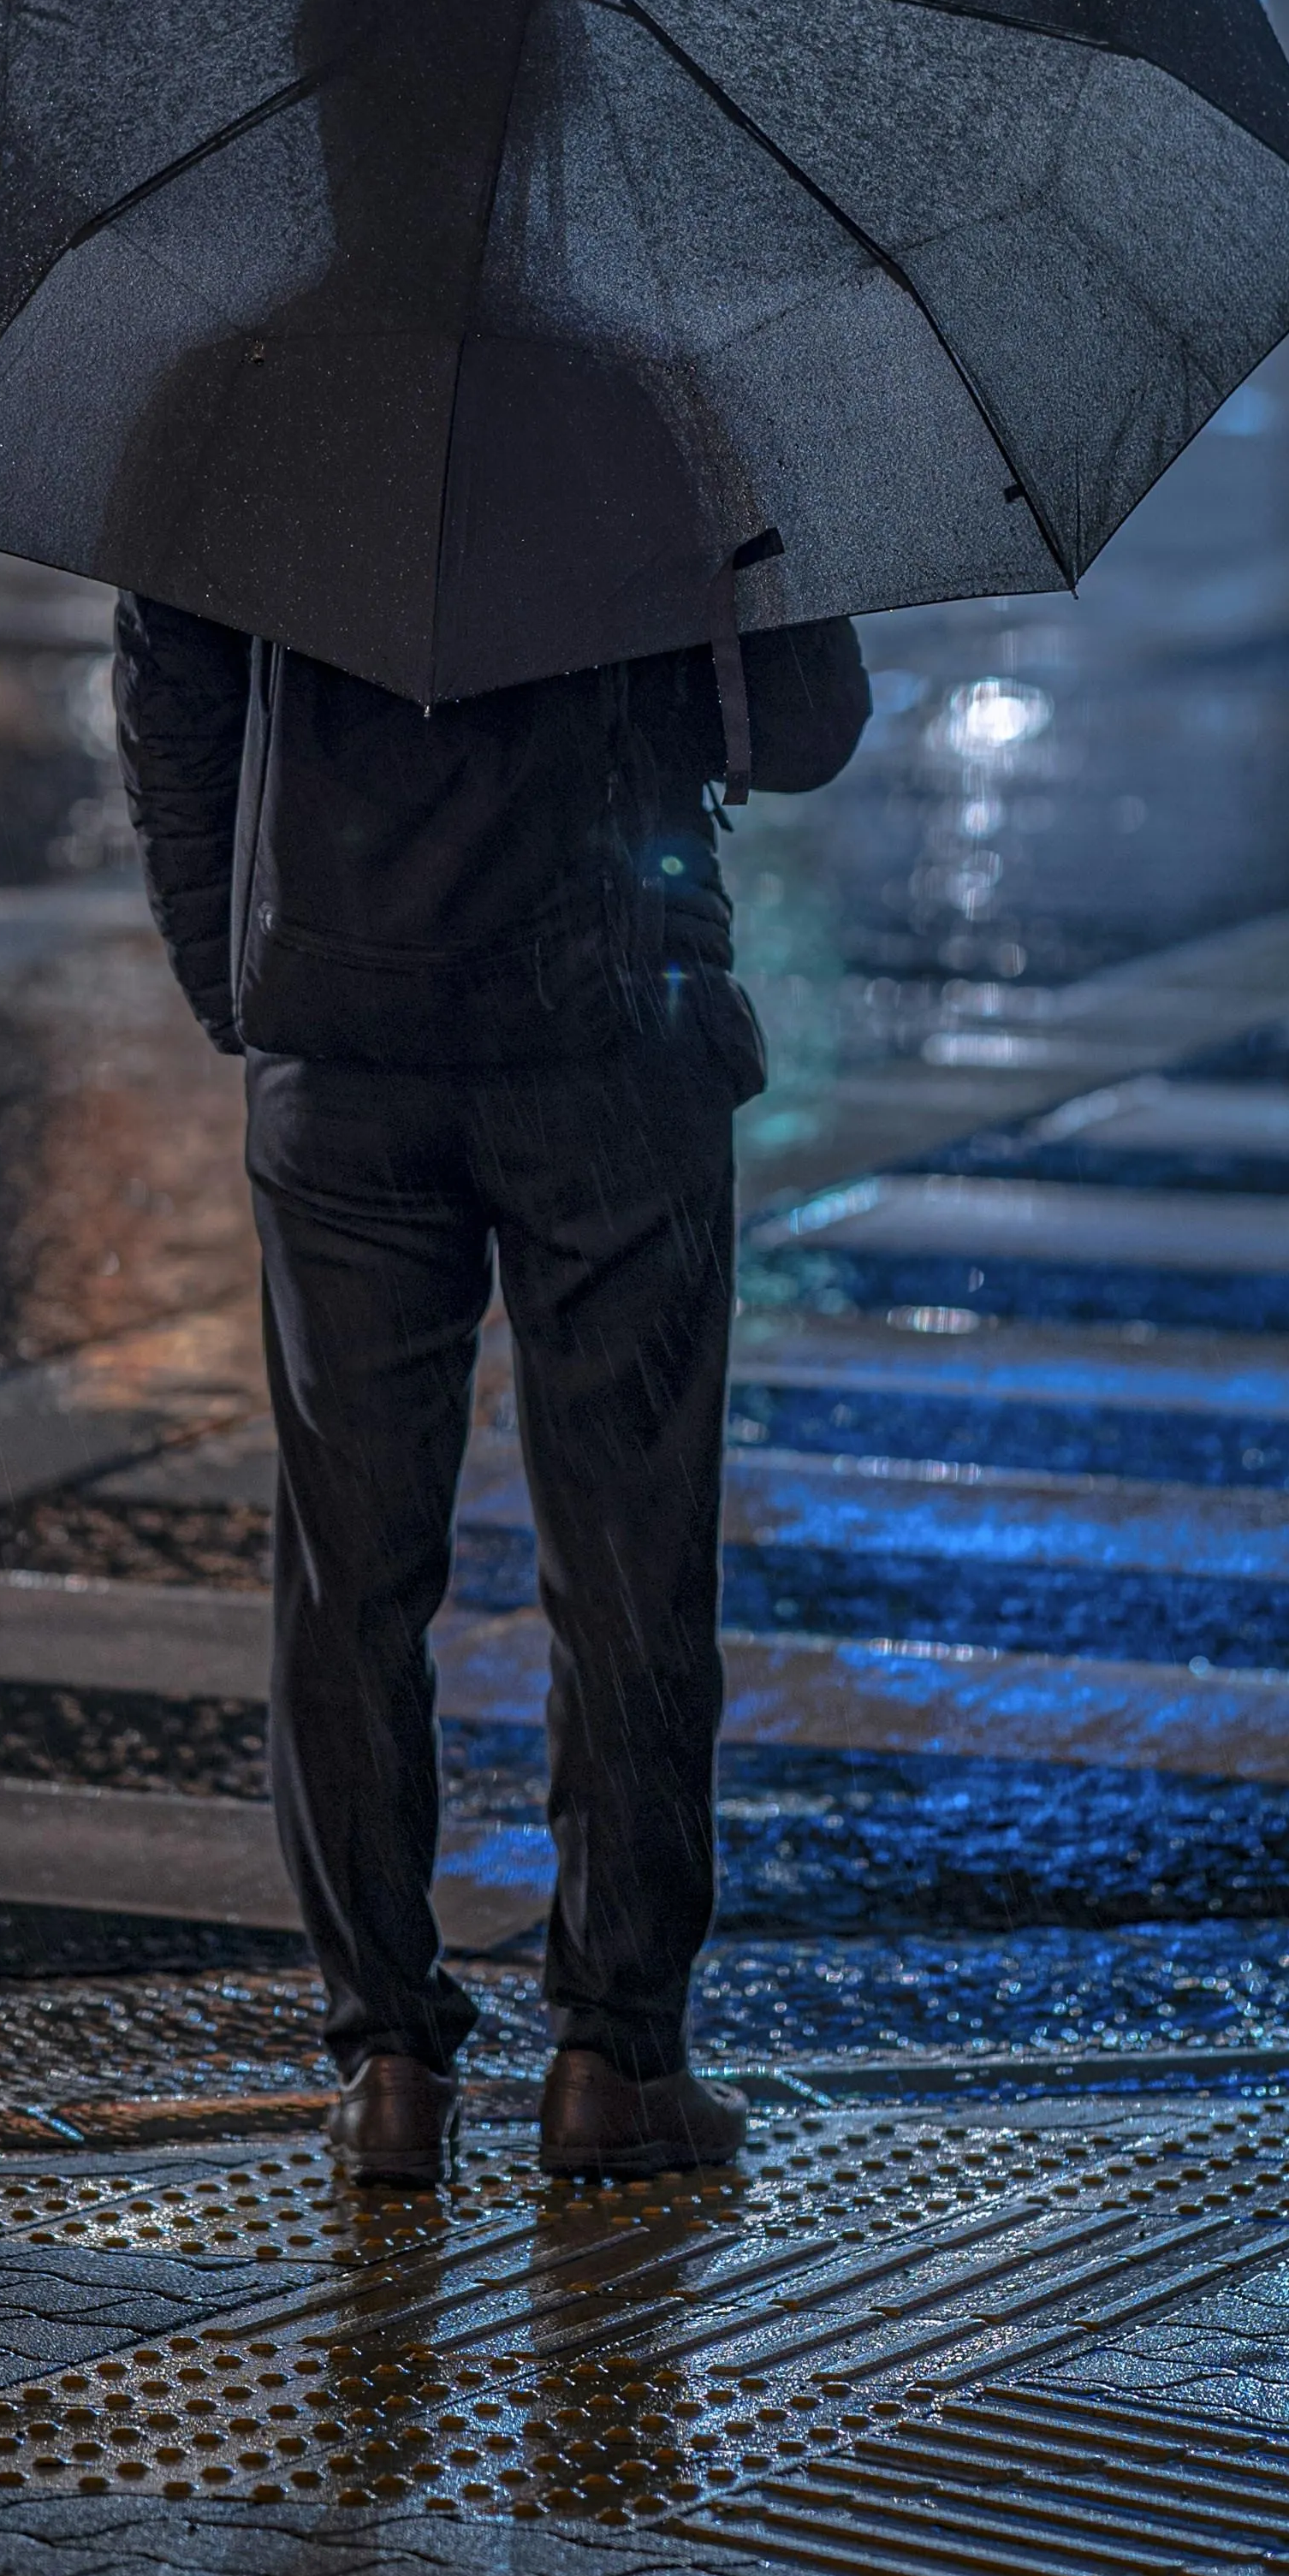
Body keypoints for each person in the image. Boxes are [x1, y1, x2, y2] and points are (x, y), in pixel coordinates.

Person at [114, 582, 870, 2187]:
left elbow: (175, 702)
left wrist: (240, 983)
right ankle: (617, 2052)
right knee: (630, 1561)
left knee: (350, 1567)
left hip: (336, 1048)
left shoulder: (250, 399)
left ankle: (385, 2055)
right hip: (608, 1039)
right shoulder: (664, 388)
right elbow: (806, 728)